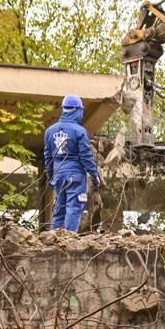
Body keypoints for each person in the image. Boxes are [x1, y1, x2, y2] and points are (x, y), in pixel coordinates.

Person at [43, 94, 103, 232]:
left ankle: (54, 237)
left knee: (59, 207)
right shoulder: (80, 131)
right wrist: (94, 176)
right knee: (73, 206)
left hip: (58, 174)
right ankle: (69, 239)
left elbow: (48, 157)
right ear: (77, 110)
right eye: (81, 111)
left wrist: (51, 177)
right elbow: (86, 156)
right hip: (75, 174)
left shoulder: (49, 131)